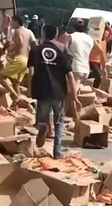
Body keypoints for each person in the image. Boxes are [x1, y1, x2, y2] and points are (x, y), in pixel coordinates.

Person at [28, 24, 81, 159]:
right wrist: (74, 96)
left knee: (42, 119)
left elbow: (30, 71)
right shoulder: (61, 51)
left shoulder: (36, 50)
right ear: (56, 34)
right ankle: (57, 152)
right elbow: (69, 75)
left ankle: (42, 132)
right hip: (58, 92)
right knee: (59, 123)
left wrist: (30, 88)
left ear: (44, 33)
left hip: (42, 91)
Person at [0, 15, 32, 102]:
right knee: (16, 82)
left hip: (19, 59)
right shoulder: (27, 31)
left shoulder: (17, 31)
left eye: (12, 21)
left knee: (0, 77)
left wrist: (9, 49)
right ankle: (17, 103)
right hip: (26, 59)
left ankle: (15, 95)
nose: (10, 23)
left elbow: (19, 43)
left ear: (16, 21)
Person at [68, 18, 94, 88]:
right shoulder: (90, 39)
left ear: (73, 27)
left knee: (72, 89)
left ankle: (74, 98)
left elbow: (64, 50)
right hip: (85, 69)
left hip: (74, 68)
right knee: (78, 86)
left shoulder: (71, 37)